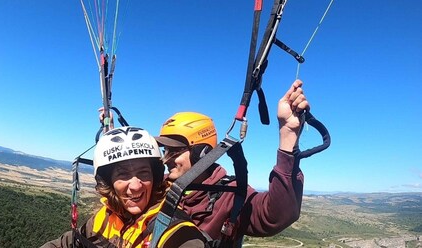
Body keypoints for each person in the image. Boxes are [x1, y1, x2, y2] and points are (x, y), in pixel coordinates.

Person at [154, 79, 308, 242]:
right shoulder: (158, 187)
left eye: (175, 151)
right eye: (166, 150)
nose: (166, 159)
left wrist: (288, 133)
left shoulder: (231, 194)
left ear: (202, 152)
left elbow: (276, 215)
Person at [41, 127, 207, 248]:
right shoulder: (108, 216)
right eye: (123, 174)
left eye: (143, 173)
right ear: (109, 182)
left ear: (155, 177)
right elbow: (70, 242)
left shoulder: (178, 234)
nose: (135, 186)